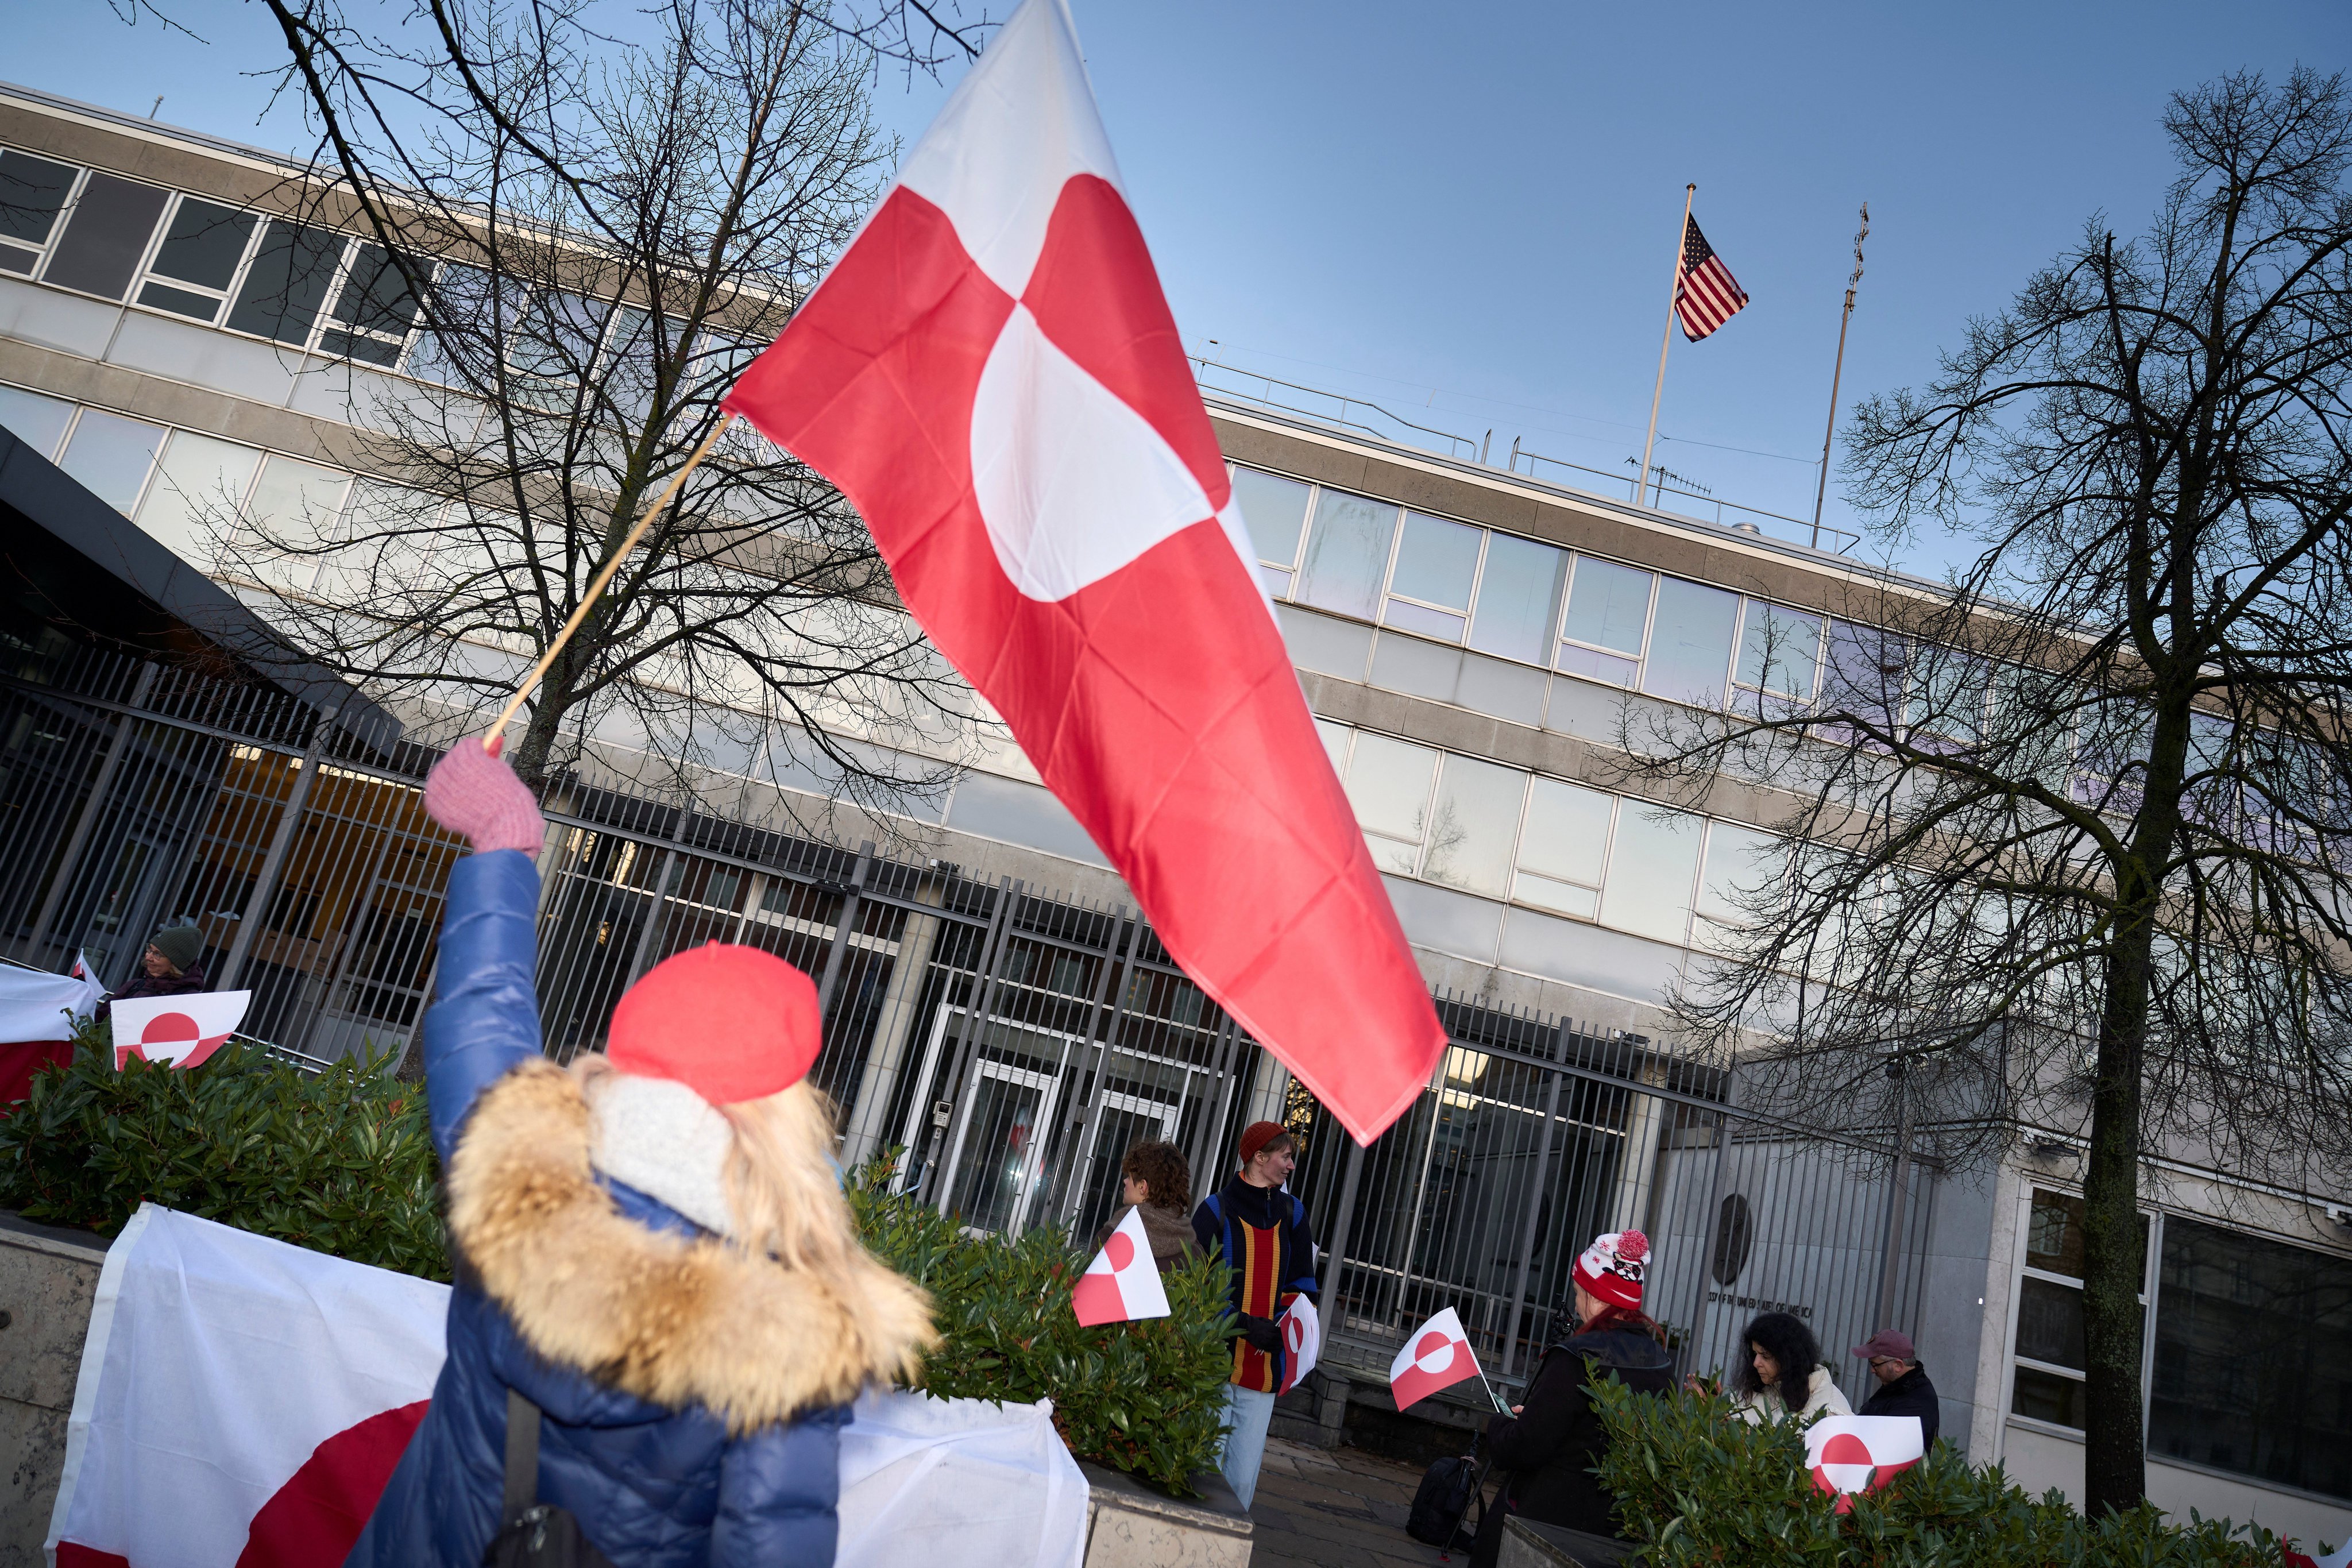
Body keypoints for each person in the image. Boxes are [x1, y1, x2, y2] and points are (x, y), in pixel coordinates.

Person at [349, 736, 935, 1566]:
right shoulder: (787, 1321)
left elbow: (486, 1011)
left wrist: (504, 843)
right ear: (783, 1108)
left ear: (625, 1055)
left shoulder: (519, 1173)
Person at [1470, 1231, 1673, 1568]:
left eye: (1580, 1293)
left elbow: (1526, 1446)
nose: (1577, 1304)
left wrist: (1502, 1425)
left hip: (1545, 1524)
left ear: (1598, 1298)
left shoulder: (1575, 1357)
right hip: (1616, 1532)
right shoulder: (1660, 1362)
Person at [1192, 1119, 1316, 1510]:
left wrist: (1287, 1327)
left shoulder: (1293, 1213)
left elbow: (1302, 1284)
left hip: (1263, 1370)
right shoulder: (1214, 1210)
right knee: (1203, 1470)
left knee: (1242, 1480)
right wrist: (1244, 1325)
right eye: (1285, 1156)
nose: (1290, 1166)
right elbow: (1196, 1291)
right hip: (1213, 1363)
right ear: (1259, 1158)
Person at [1725, 1311, 1852, 1424]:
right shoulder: (1754, 1389)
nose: (1756, 1363)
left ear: (1788, 1357)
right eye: (1755, 1354)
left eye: (1765, 1356)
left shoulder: (1831, 1409)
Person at [1092, 1139, 1195, 1267]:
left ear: (1143, 1187)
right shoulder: (1194, 1250)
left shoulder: (1113, 1237)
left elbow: (1089, 1284)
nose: (1125, 1182)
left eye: (1129, 1177)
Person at [96, 921, 206, 1019]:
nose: (148, 957)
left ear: (176, 963)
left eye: (157, 954)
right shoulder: (134, 986)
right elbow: (98, 1023)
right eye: (150, 949)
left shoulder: (190, 1000)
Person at [1853, 1328, 1941, 1449]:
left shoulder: (1915, 1402)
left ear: (1898, 1366)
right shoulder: (1898, 1385)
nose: (1872, 1370)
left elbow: (1885, 1448)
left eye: (1875, 1365)